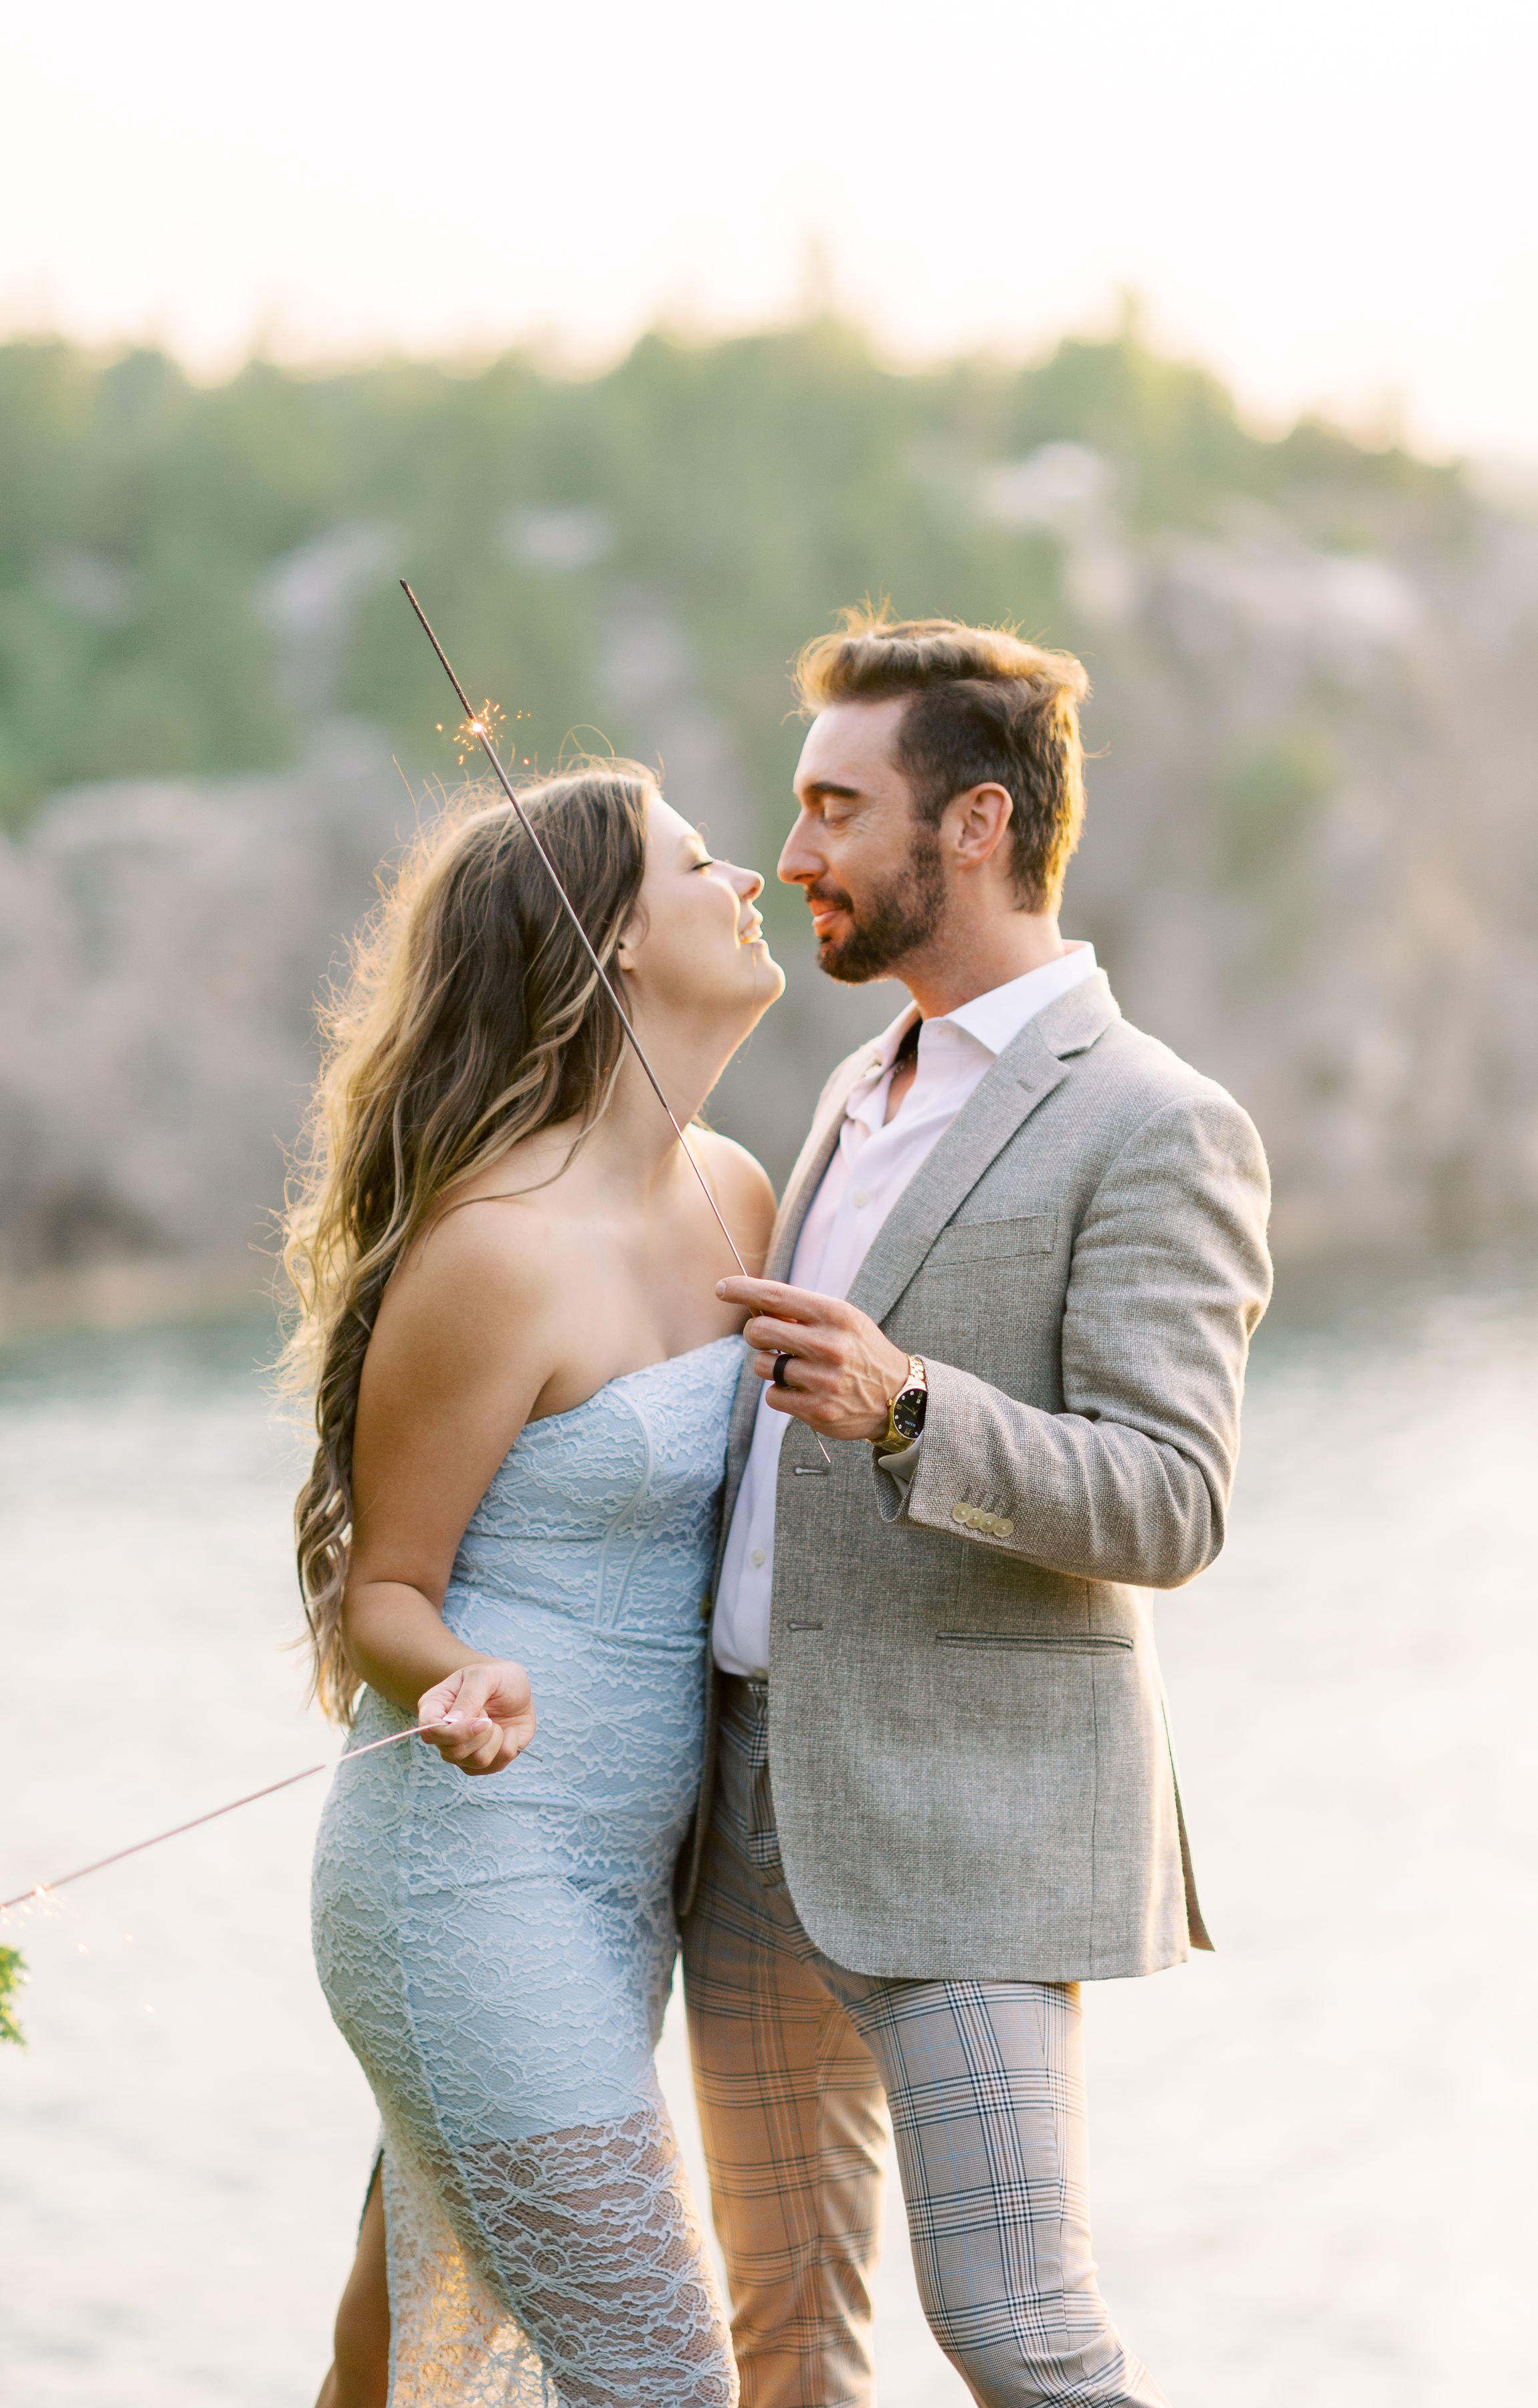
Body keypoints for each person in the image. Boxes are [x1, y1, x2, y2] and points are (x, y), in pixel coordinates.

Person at [682, 615, 1273, 2408]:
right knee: (784, 2331)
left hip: (972, 1829)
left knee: (1016, 2333)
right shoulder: (862, 1086)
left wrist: (908, 1403)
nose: (791, 858)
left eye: (832, 810)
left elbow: (1171, 1500)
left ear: (976, 825)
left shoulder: (1160, 1123)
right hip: (745, 1814)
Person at [289, 766, 784, 2408]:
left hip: (629, 1891)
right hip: (471, 1875)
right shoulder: (492, 1251)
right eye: (703, 863)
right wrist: (452, 1678)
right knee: (658, 2375)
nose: (750, 882)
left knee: (403, 2333)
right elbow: (386, 1588)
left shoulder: (738, 1195)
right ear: (615, 946)